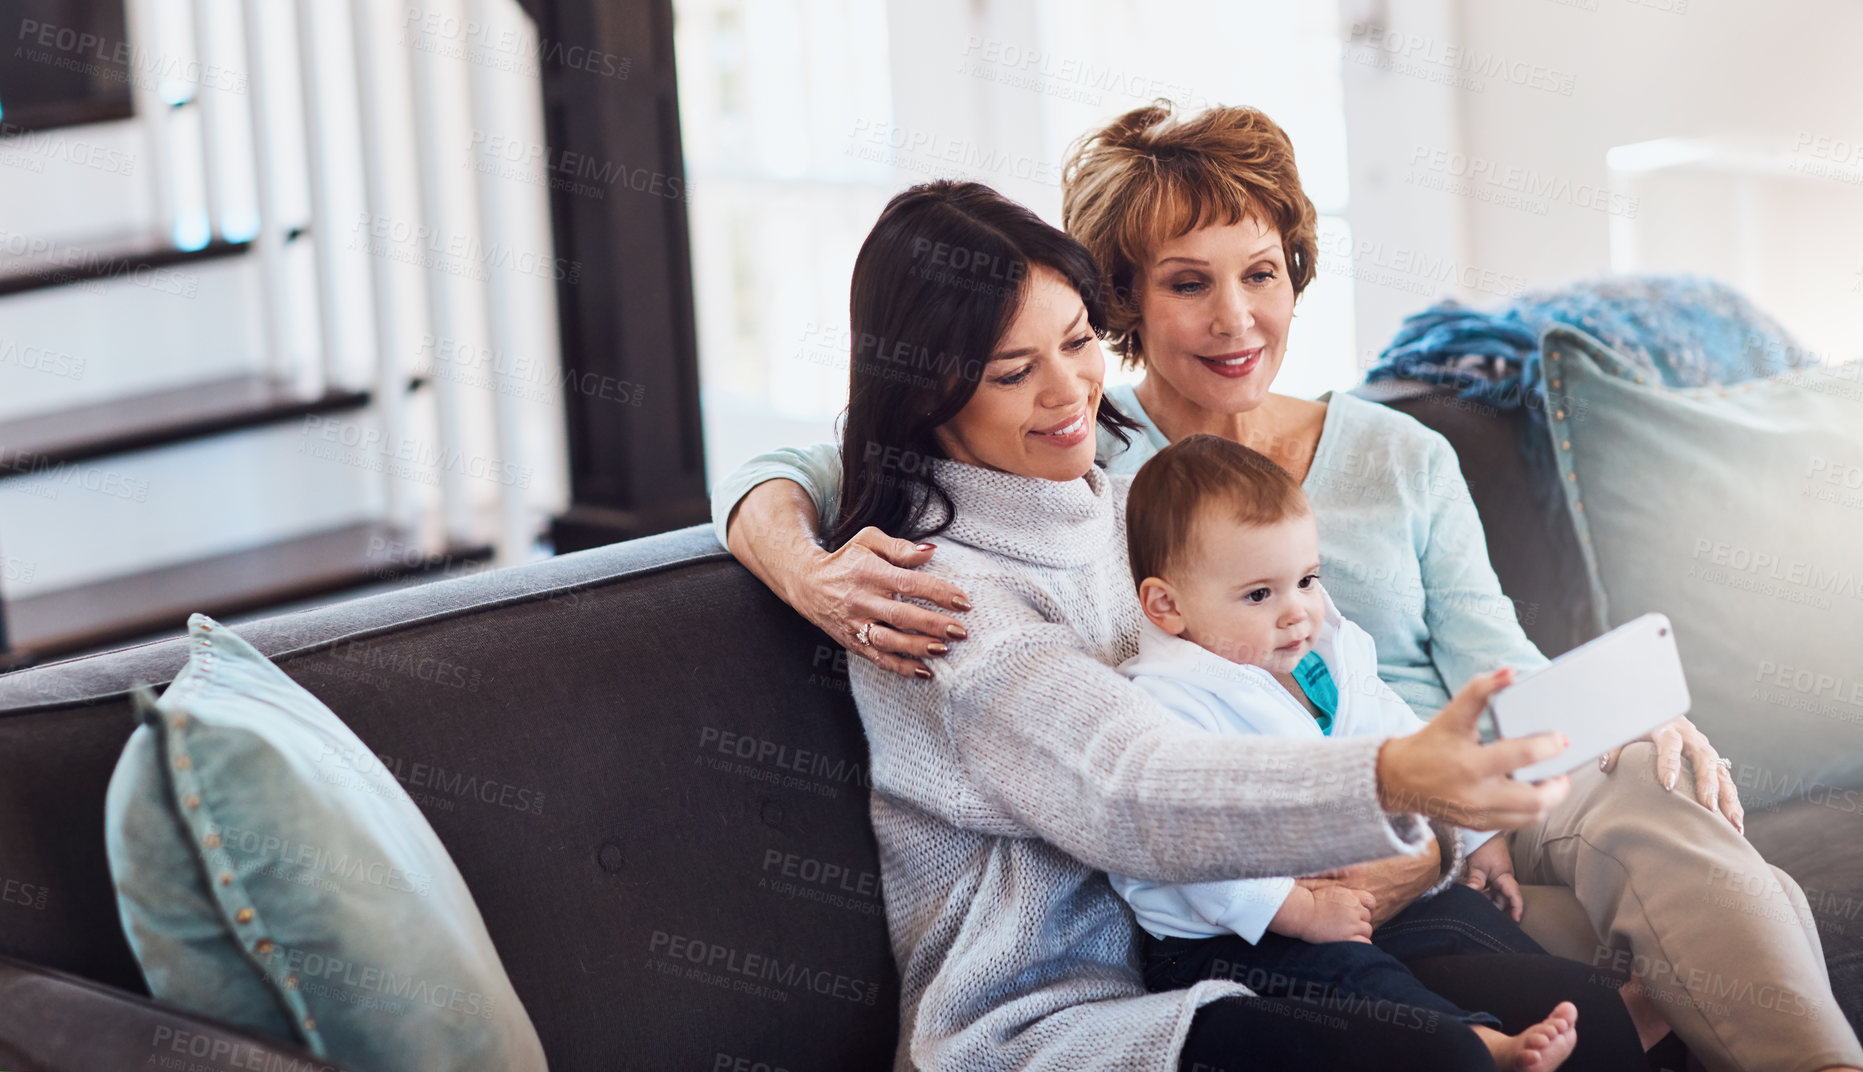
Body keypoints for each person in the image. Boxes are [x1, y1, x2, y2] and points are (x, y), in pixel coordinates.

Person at [714, 103, 1863, 1071]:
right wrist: (801, 560)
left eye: (1260, 272)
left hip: (1383, 824)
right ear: (1132, 302)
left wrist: (1573, 732)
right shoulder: (1035, 525)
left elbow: (1432, 662)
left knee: (1644, 835)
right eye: (1019, 369)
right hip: (1185, 937)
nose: (1066, 389)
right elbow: (1131, 781)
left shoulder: (1139, 478)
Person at [1109, 433, 1588, 1070]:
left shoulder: (1322, 657)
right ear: (1167, 606)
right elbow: (1189, 841)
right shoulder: (1167, 701)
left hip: (1348, 892)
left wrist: (1477, 836)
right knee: (1344, 970)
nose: (1296, 614)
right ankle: (1476, 1042)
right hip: (1225, 933)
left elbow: (1400, 738)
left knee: (1464, 911)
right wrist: (1296, 909)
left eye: (1306, 580)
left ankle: (1566, 1003)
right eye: (1259, 595)